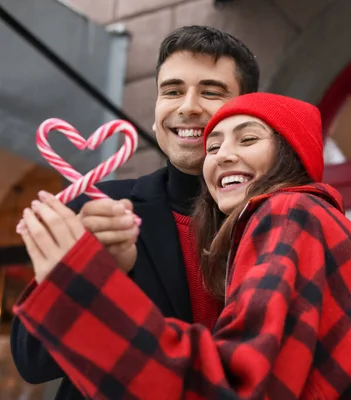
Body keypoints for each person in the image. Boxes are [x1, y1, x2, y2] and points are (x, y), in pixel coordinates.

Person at [14, 93, 351, 399]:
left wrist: (82, 297)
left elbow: (240, 387)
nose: (220, 155)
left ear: (289, 154)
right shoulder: (331, 227)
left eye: (248, 138)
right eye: (214, 145)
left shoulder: (287, 212)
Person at [10, 25, 260, 400]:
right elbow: (32, 362)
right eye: (171, 91)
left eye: (211, 92)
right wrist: (89, 274)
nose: (188, 106)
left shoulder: (273, 221)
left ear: (248, 108)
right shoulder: (96, 208)